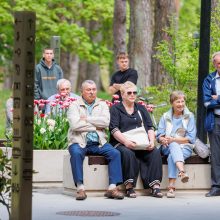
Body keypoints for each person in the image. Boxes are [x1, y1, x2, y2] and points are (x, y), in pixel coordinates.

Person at [67, 80, 124, 200]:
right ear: (82, 91)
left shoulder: (102, 104)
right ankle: (80, 188)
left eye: (94, 89)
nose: (92, 92)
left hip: (99, 142)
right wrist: (95, 126)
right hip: (79, 141)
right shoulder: (74, 105)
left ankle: (112, 188)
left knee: (115, 153)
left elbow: (105, 122)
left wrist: (86, 119)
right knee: (76, 153)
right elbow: (75, 125)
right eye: (88, 90)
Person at [109, 81, 163, 198]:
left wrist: (151, 141)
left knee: (154, 152)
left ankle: (155, 187)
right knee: (127, 153)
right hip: (122, 142)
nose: (132, 95)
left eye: (135, 92)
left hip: (141, 142)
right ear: (122, 94)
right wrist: (126, 142)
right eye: (129, 93)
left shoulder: (141, 108)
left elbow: (149, 127)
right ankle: (129, 187)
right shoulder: (115, 109)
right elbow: (113, 129)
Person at [157, 91, 196, 198]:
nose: (181, 104)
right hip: (167, 147)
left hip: (185, 147)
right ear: (172, 103)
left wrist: (173, 139)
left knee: (171, 156)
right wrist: (163, 139)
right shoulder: (165, 116)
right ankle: (182, 171)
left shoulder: (190, 116)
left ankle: (171, 188)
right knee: (173, 145)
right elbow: (159, 135)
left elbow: (191, 139)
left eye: (182, 101)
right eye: (177, 102)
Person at [203, 51, 220, 197]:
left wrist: (218, 98)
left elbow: (213, 100)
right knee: (216, 155)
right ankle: (216, 186)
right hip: (215, 120)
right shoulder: (209, 79)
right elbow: (207, 102)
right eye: (218, 62)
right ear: (214, 64)